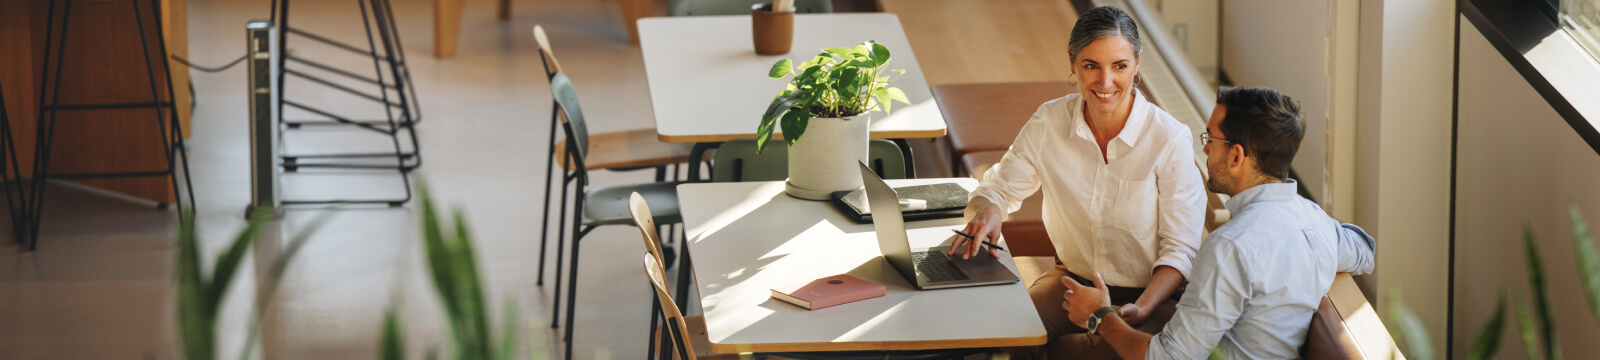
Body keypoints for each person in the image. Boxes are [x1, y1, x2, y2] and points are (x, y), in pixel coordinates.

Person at [955, 6, 1206, 358]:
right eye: (1091, 66)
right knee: (1010, 333)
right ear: (1072, 63)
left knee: (1092, 352)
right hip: (1072, 282)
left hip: (1148, 296)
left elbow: (1180, 251)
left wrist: (1141, 309)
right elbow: (996, 189)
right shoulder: (1049, 122)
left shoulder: (1169, 139)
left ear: (1137, 64)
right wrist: (989, 211)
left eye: (1119, 66)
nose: (1105, 83)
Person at [1060, 86, 1378, 359]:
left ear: (1237, 156)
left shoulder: (1229, 248)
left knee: (1060, 350)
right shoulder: (1316, 221)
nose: (1206, 147)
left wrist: (1100, 315)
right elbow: (1364, 250)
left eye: (1211, 138)